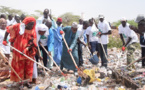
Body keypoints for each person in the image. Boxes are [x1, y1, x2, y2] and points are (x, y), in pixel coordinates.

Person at [3, 17, 38, 88]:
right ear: (26, 23)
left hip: (28, 52)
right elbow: (8, 29)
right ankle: (20, 82)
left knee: (28, 67)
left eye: (33, 24)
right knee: (19, 67)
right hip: (18, 51)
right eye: (30, 24)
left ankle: (27, 81)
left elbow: (32, 42)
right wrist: (4, 39)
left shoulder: (33, 31)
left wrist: (26, 49)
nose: (31, 26)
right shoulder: (18, 27)